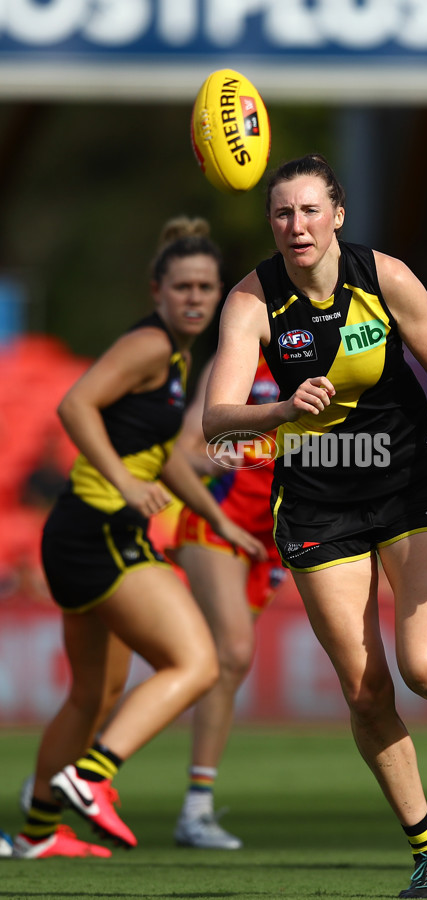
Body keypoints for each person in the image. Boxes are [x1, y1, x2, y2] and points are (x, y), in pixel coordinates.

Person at [202, 154, 427, 898]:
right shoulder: (252, 301)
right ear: (271, 224)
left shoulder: (386, 277)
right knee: (366, 692)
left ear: (337, 215)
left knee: (426, 669)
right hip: (316, 505)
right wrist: (278, 408)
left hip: (410, 487)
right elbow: (215, 424)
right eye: (281, 214)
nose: (295, 226)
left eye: (309, 211)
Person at [12, 216, 266, 860]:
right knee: (198, 662)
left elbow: (164, 452)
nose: (196, 299)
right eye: (182, 287)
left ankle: (37, 833)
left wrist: (218, 521)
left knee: (93, 695)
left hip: (80, 533)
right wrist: (125, 484)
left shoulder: (177, 356)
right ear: (157, 291)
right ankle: (92, 777)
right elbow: (74, 405)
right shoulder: (153, 346)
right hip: (100, 531)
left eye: (206, 288)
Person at [168, 349, 286, 849]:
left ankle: (72, 769)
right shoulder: (240, 358)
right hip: (219, 522)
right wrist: (224, 459)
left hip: (282, 535)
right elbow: (183, 448)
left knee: (207, 665)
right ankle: (195, 809)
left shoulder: (336, 351)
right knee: (232, 652)